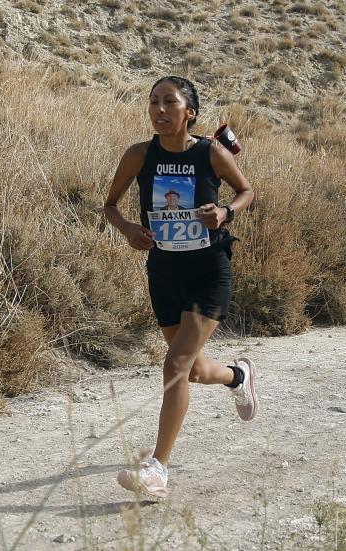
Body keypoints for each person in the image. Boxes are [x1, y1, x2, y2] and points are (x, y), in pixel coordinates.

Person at [103, 76, 257, 499]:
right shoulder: (139, 155)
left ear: (190, 112)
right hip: (164, 273)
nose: (159, 109)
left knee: (173, 366)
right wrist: (127, 229)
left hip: (209, 272)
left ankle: (157, 469)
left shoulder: (211, 152)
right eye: (154, 101)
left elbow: (245, 191)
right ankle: (237, 375)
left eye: (169, 102)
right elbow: (110, 205)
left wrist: (224, 213)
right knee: (192, 370)